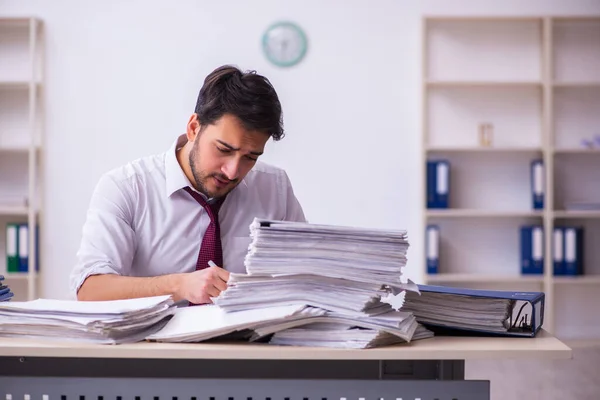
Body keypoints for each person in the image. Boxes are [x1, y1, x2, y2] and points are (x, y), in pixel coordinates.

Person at [70, 65, 306, 304]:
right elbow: (91, 290)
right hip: (153, 340)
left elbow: (309, 277)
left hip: (248, 340)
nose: (233, 171)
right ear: (194, 128)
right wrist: (178, 285)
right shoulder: (126, 188)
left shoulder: (275, 188)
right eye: (224, 149)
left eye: (250, 157)